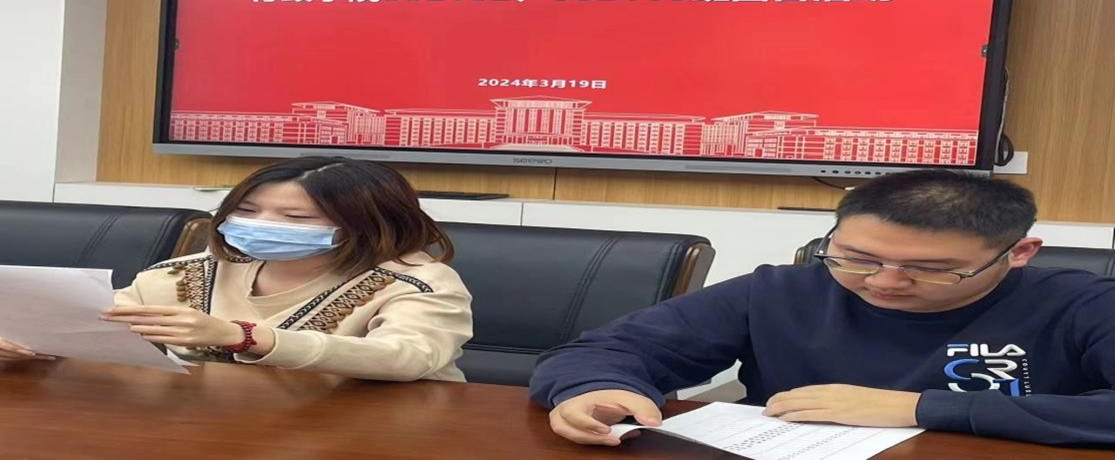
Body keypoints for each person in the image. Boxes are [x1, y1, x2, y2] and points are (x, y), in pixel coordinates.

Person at [530, 170, 1115, 448]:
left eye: (931, 269)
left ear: (1019, 253)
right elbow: (608, 349)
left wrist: (922, 407)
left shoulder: (1082, 305)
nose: (885, 281)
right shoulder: (780, 291)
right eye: (856, 257)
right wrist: (594, 388)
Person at [0, 157, 473, 381]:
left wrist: (245, 336)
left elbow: (407, 357)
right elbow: (96, 327)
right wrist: (31, 344)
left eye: (296, 218)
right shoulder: (183, 273)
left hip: (369, 431)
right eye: (246, 210)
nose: (261, 224)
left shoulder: (417, 282)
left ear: (367, 223)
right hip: (214, 428)